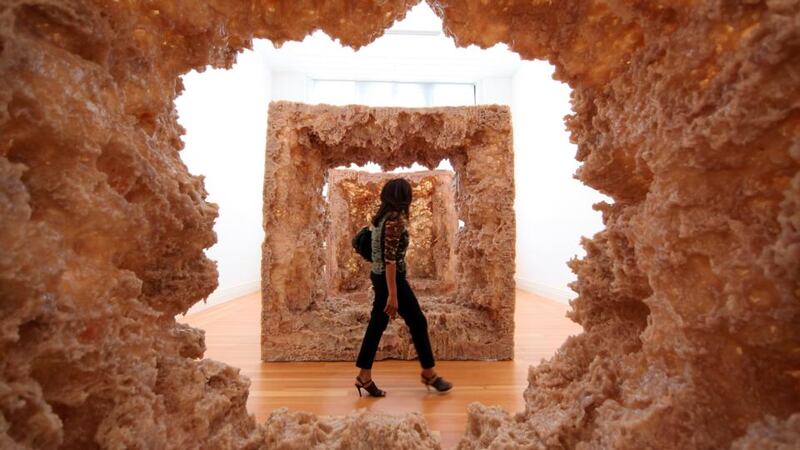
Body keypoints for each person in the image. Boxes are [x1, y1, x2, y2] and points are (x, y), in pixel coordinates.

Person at [354, 178, 453, 397]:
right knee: (417, 320)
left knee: (377, 324)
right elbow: (390, 260)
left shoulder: (381, 218)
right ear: (403, 197)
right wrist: (393, 295)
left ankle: (364, 375)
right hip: (391, 278)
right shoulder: (395, 220)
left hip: (379, 276)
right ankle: (429, 373)